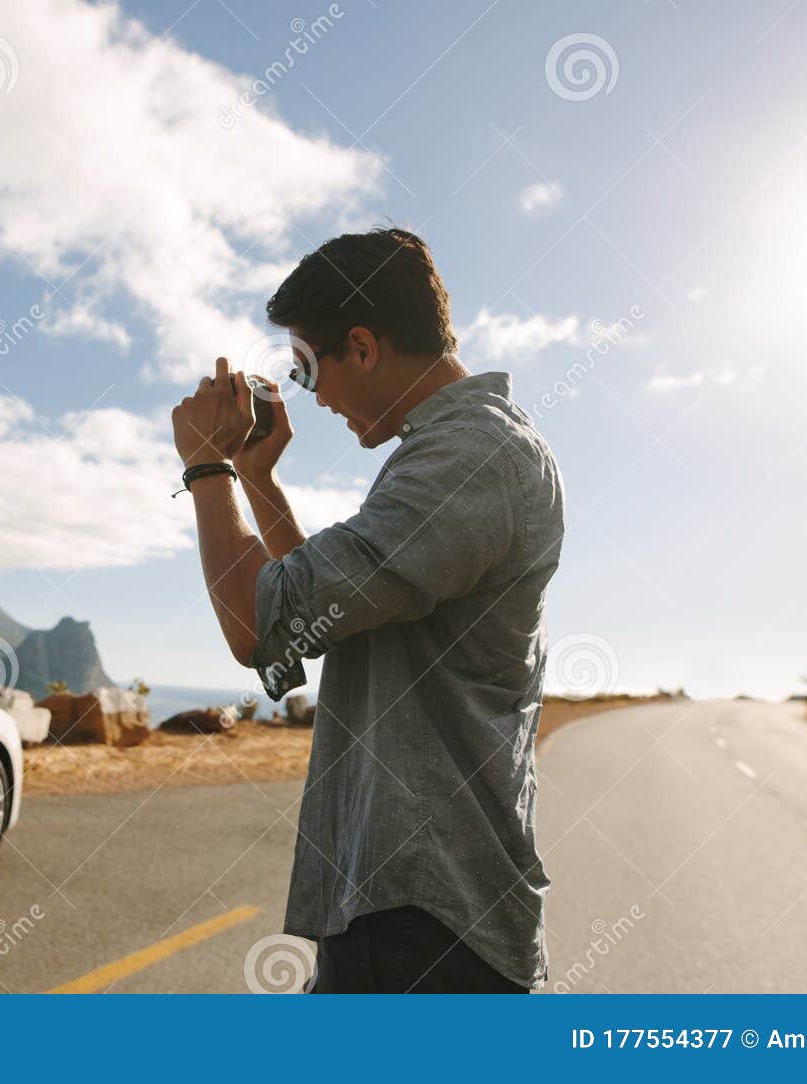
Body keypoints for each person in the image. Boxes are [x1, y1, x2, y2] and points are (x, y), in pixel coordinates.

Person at [169, 228, 564, 993]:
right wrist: (256, 476)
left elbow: (260, 623)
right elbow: (328, 609)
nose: (310, 394)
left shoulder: (469, 459)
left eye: (307, 368)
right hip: (408, 910)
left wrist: (206, 466)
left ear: (363, 345)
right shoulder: (459, 451)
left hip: (425, 921)